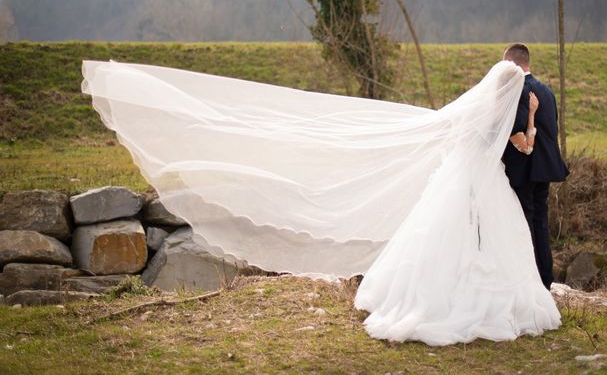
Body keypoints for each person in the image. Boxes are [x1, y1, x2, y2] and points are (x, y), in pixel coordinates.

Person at [81, 56, 561, 346]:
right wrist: (534, 120)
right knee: (483, 241)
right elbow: (520, 147)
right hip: (482, 183)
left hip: (457, 180)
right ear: (514, 90)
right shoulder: (513, 115)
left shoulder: (472, 114)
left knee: (441, 238)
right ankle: (470, 298)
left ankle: (433, 295)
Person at [501, 43, 570, 290]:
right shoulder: (546, 90)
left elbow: (515, 128)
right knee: (541, 221)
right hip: (545, 168)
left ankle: (529, 282)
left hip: (524, 169)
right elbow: (553, 128)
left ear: (511, 63)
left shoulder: (518, 89)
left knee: (525, 221)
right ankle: (545, 278)